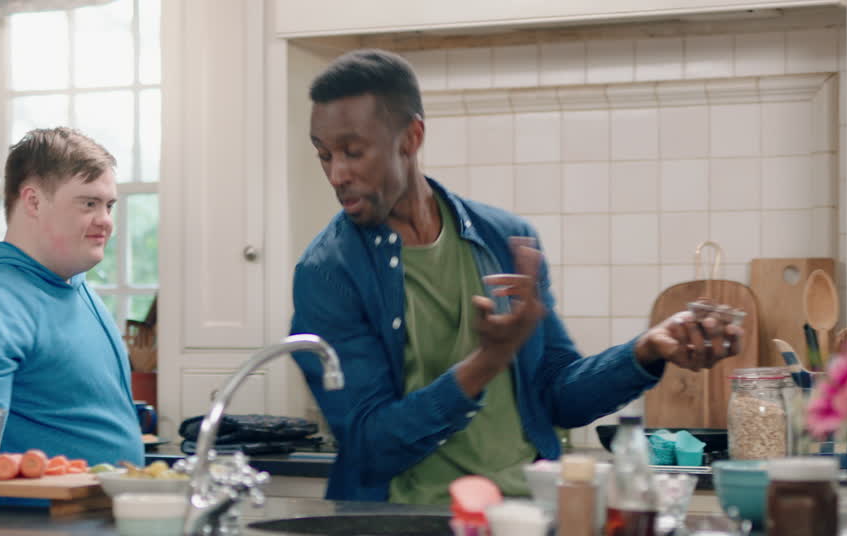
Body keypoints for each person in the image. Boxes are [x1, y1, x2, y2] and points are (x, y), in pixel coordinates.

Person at [290, 50, 744, 504]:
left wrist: (646, 350)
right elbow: (370, 447)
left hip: (527, 516)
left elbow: (558, 396)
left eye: (353, 152)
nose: (337, 174)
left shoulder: (505, 239)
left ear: (411, 137)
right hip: (407, 532)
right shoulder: (327, 274)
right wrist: (488, 361)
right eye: (324, 155)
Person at [0, 127, 144, 470]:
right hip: (38, 523)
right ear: (33, 201)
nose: (105, 221)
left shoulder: (74, 287)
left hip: (99, 517)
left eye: (109, 205)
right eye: (89, 203)